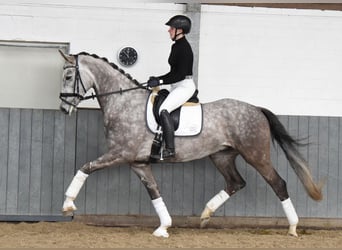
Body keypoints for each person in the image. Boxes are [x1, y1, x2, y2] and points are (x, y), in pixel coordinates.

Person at [147, 15, 196, 160]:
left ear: (179, 30)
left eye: (171, 28)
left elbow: (180, 74)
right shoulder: (176, 46)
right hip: (177, 85)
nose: (169, 30)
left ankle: (170, 149)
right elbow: (173, 73)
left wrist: (160, 80)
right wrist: (157, 79)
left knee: (164, 110)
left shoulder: (185, 48)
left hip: (185, 86)